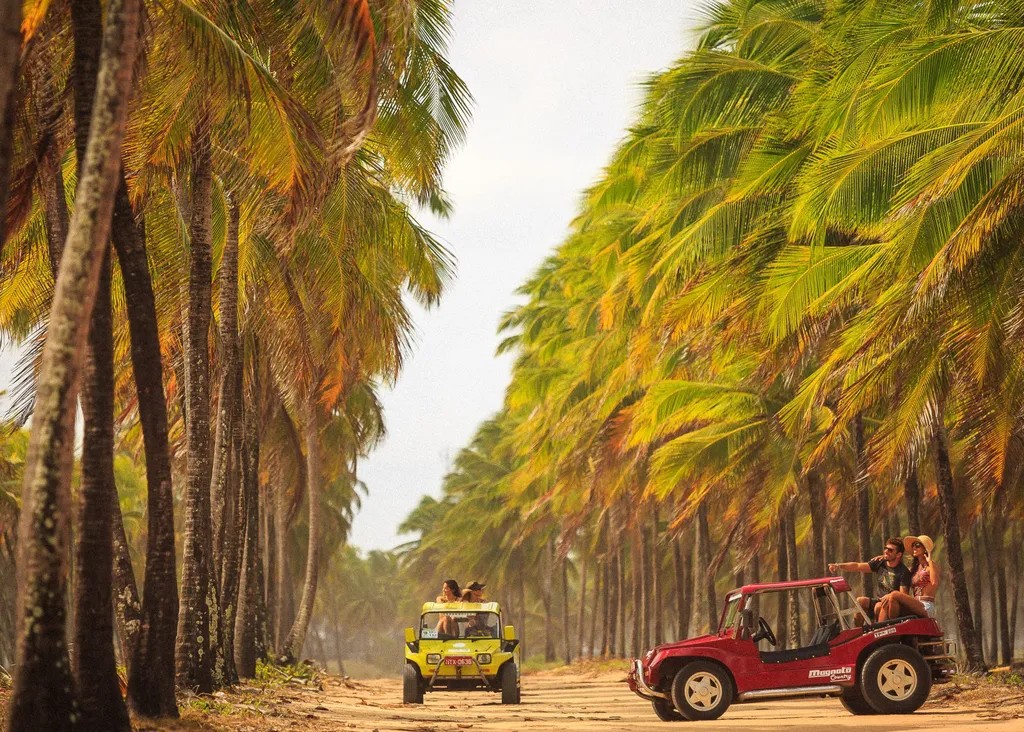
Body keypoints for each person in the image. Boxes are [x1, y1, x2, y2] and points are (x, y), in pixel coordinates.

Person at [828, 536, 912, 622]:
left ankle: (880, 629)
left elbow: (903, 596)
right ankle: (859, 629)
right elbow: (857, 566)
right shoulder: (880, 562)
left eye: (890, 550)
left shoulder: (903, 572)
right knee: (860, 601)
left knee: (879, 606)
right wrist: (838, 566)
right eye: (885, 548)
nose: (886, 551)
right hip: (879, 600)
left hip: (892, 605)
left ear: (898, 555)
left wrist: (890, 596)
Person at [876, 535, 939, 621]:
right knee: (887, 602)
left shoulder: (931, 566)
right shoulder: (914, 568)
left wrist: (930, 560)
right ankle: (883, 627)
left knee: (894, 594)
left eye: (917, 545)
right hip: (915, 604)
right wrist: (885, 557)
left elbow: (934, 582)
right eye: (913, 545)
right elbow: (897, 566)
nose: (914, 547)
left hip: (926, 605)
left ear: (925, 549)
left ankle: (891, 624)